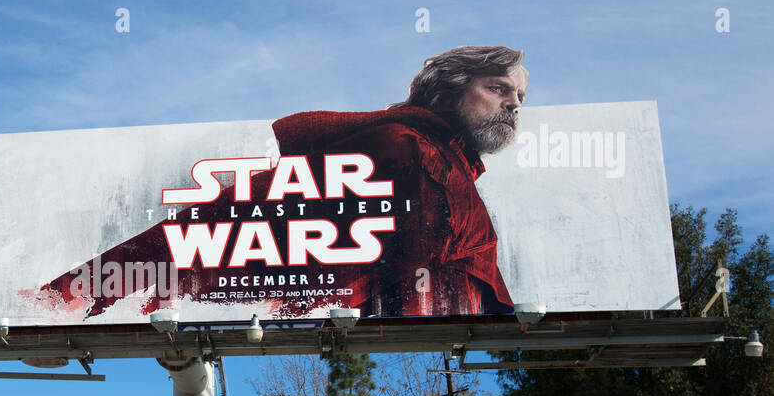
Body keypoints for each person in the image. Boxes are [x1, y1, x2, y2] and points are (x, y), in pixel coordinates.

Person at [33, 45, 524, 319]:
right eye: (498, 88)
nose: (514, 104)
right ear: (448, 91)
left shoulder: (454, 172)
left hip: (404, 353)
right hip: (371, 342)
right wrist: (62, 300)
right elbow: (229, 217)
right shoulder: (405, 148)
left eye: (520, 96)